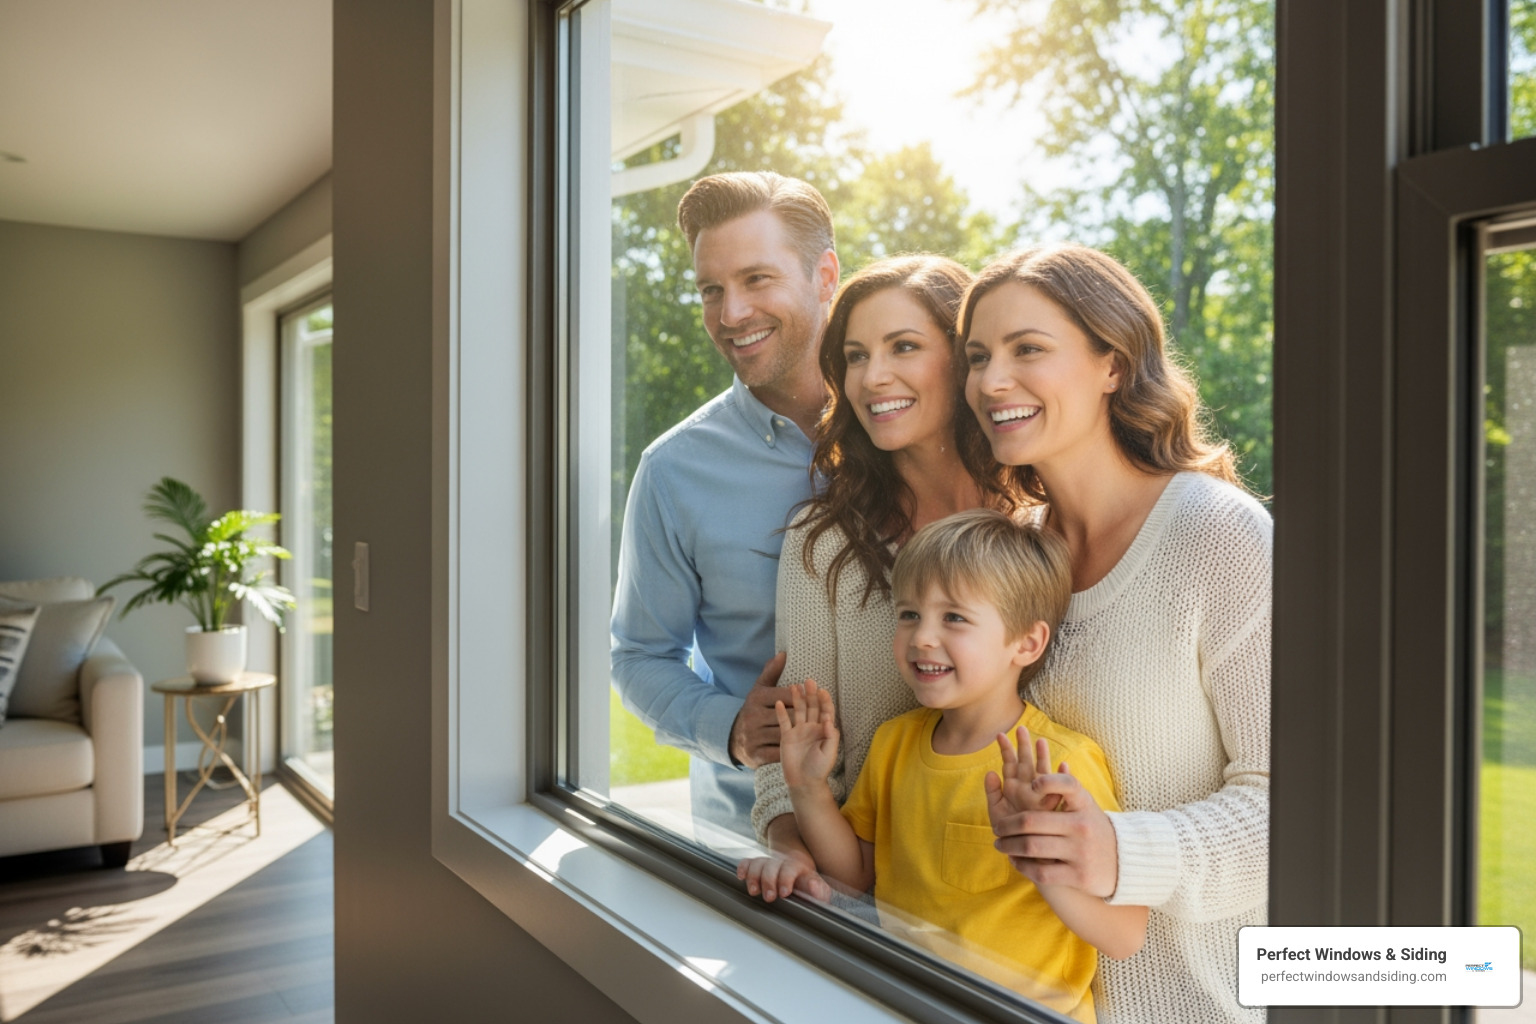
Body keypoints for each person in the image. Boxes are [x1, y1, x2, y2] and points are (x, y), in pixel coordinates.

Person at [961, 244, 1271, 1024]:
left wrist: (1120, 853)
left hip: (1192, 1007)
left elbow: (1293, 806)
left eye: (1027, 349)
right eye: (977, 356)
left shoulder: (1220, 535)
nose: (992, 381)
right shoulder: (1009, 554)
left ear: (1112, 363)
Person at [774, 510, 1147, 1022]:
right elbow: (856, 877)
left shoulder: (1060, 764)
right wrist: (808, 787)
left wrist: (1039, 857)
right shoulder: (894, 744)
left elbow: (1125, 936)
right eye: (908, 614)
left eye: (954, 617)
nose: (922, 637)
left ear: (1027, 643)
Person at [738, 255, 1018, 899]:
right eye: (856, 356)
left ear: (966, 360)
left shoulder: (1033, 521)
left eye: (905, 347)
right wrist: (788, 846)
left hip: (1036, 917)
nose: (873, 377)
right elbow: (793, 754)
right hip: (879, 914)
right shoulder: (822, 541)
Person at [610, 172, 839, 837]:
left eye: (757, 279)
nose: (730, 314)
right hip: (752, 843)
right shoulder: (674, 471)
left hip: (917, 844)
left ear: (825, 275)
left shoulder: (907, 430)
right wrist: (730, 728)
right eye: (711, 289)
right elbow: (639, 656)